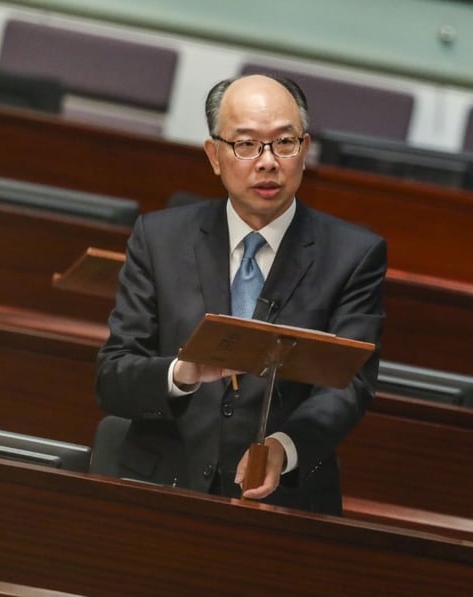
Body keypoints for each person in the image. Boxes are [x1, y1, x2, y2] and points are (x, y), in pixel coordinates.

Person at [95, 74, 387, 515]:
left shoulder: (354, 255)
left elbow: (349, 385)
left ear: (304, 150)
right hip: (158, 492)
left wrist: (284, 447)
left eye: (284, 143)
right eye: (246, 145)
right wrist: (183, 372)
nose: (267, 162)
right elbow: (113, 378)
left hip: (284, 502)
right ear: (215, 155)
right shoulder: (159, 239)